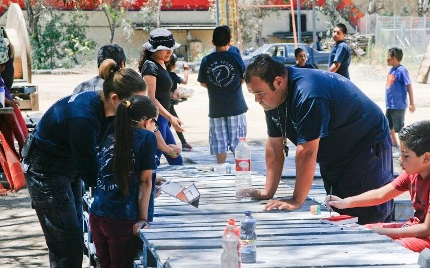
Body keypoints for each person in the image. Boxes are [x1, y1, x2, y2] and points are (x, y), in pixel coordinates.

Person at [22, 60, 147, 268]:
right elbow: (93, 172)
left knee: (73, 238)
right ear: (115, 98)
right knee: (65, 242)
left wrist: (143, 175)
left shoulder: (110, 108)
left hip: (69, 170)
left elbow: (114, 154)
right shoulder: (83, 117)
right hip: (46, 172)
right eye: (134, 105)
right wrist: (128, 192)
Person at [243, 54, 393, 224]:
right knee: (339, 210)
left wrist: (296, 200)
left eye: (260, 93)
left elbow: (307, 152)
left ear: (278, 81)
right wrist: (267, 192)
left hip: (365, 146)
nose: (257, 100)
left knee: (368, 215)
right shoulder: (272, 99)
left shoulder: (308, 93)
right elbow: (275, 146)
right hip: (335, 152)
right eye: (254, 94)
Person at [327, 120, 430, 258]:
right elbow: (381, 194)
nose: (400, 160)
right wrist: (344, 202)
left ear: (426, 158)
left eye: (406, 156)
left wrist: (384, 233)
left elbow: (428, 229)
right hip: (415, 230)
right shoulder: (414, 172)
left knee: (383, 246)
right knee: (364, 230)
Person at [89, 95, 157, 268]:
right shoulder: (147, 138)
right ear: (146, 121)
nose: (155, 127)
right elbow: (146, 182)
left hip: (98, 215)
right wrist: (142, 218)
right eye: (155, 122)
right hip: (120, 220)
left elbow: (123, 174)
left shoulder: (111, 136)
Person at [198, 25, 248, 164]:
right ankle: (242, 174)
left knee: (219, 143)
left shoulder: (206, 60)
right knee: (239, 144)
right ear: (229, 41)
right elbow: (244, 78)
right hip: (236, 107)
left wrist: (216, 86)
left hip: (216, 109)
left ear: (213, 42)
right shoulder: (236, 57)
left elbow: (202, 82)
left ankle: (221, 174)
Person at [139, 28, 183, 165]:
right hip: (156, 121)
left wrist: (172, 94)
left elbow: (161, 91)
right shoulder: (150, 67)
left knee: (176, 160)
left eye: (171, 48)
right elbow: (150, 98)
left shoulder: (162, 63)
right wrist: (171, 117)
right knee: (153, 162)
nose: (170, 52)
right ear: (153, 49)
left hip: (164, 120)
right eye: (165, 49)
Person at [386, 47, 415, 157]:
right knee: (388, 126)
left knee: (399, 129)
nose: (387, 59)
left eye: (388, 56)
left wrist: (412, 102)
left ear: (394, 58)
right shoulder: (391, 70)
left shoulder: (402, 70)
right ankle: (395, 146)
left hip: (398, 105)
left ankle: (404, 150)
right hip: (390, 105)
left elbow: (409, 86)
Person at [166, 54, 193, 151]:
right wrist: (186, 70)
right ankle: (180, 144)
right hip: (167, 104)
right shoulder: (172, 75)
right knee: (172, 123)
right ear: (173, 64)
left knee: (169, 123)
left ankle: (181, 143)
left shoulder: (162, 73)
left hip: (167, 103)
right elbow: (185, 81)